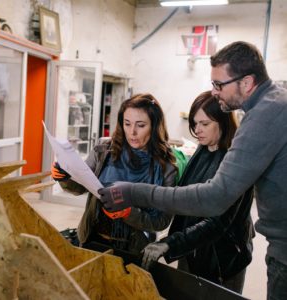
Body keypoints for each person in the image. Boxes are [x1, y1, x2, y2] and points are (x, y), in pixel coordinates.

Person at [98, 41, 287, 300]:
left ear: (246, 82)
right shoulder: (277, 97)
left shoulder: (263, 116)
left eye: (219, 85)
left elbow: (214, 199)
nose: (215, 92)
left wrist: (134, 192)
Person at [141, 91, 254, 294]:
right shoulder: (204, 148)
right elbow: (186, 197)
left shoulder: (237, 160)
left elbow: (218, 221)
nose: (197, 130)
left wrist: (171, 243)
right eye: (195, 124)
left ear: (223, 121)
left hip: (223, 259)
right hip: (193, 248)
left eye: (204, 124)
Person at [51, 93, 177, 255]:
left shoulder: (166, 169)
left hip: (133, 249)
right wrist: (65, 177)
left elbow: (161, 221)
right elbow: (79, 188)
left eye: (140, 125)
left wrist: (128, 213)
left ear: (154, 126)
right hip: (92, 238)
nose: (132, 132)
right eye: (127, 123)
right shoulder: (104, 151)